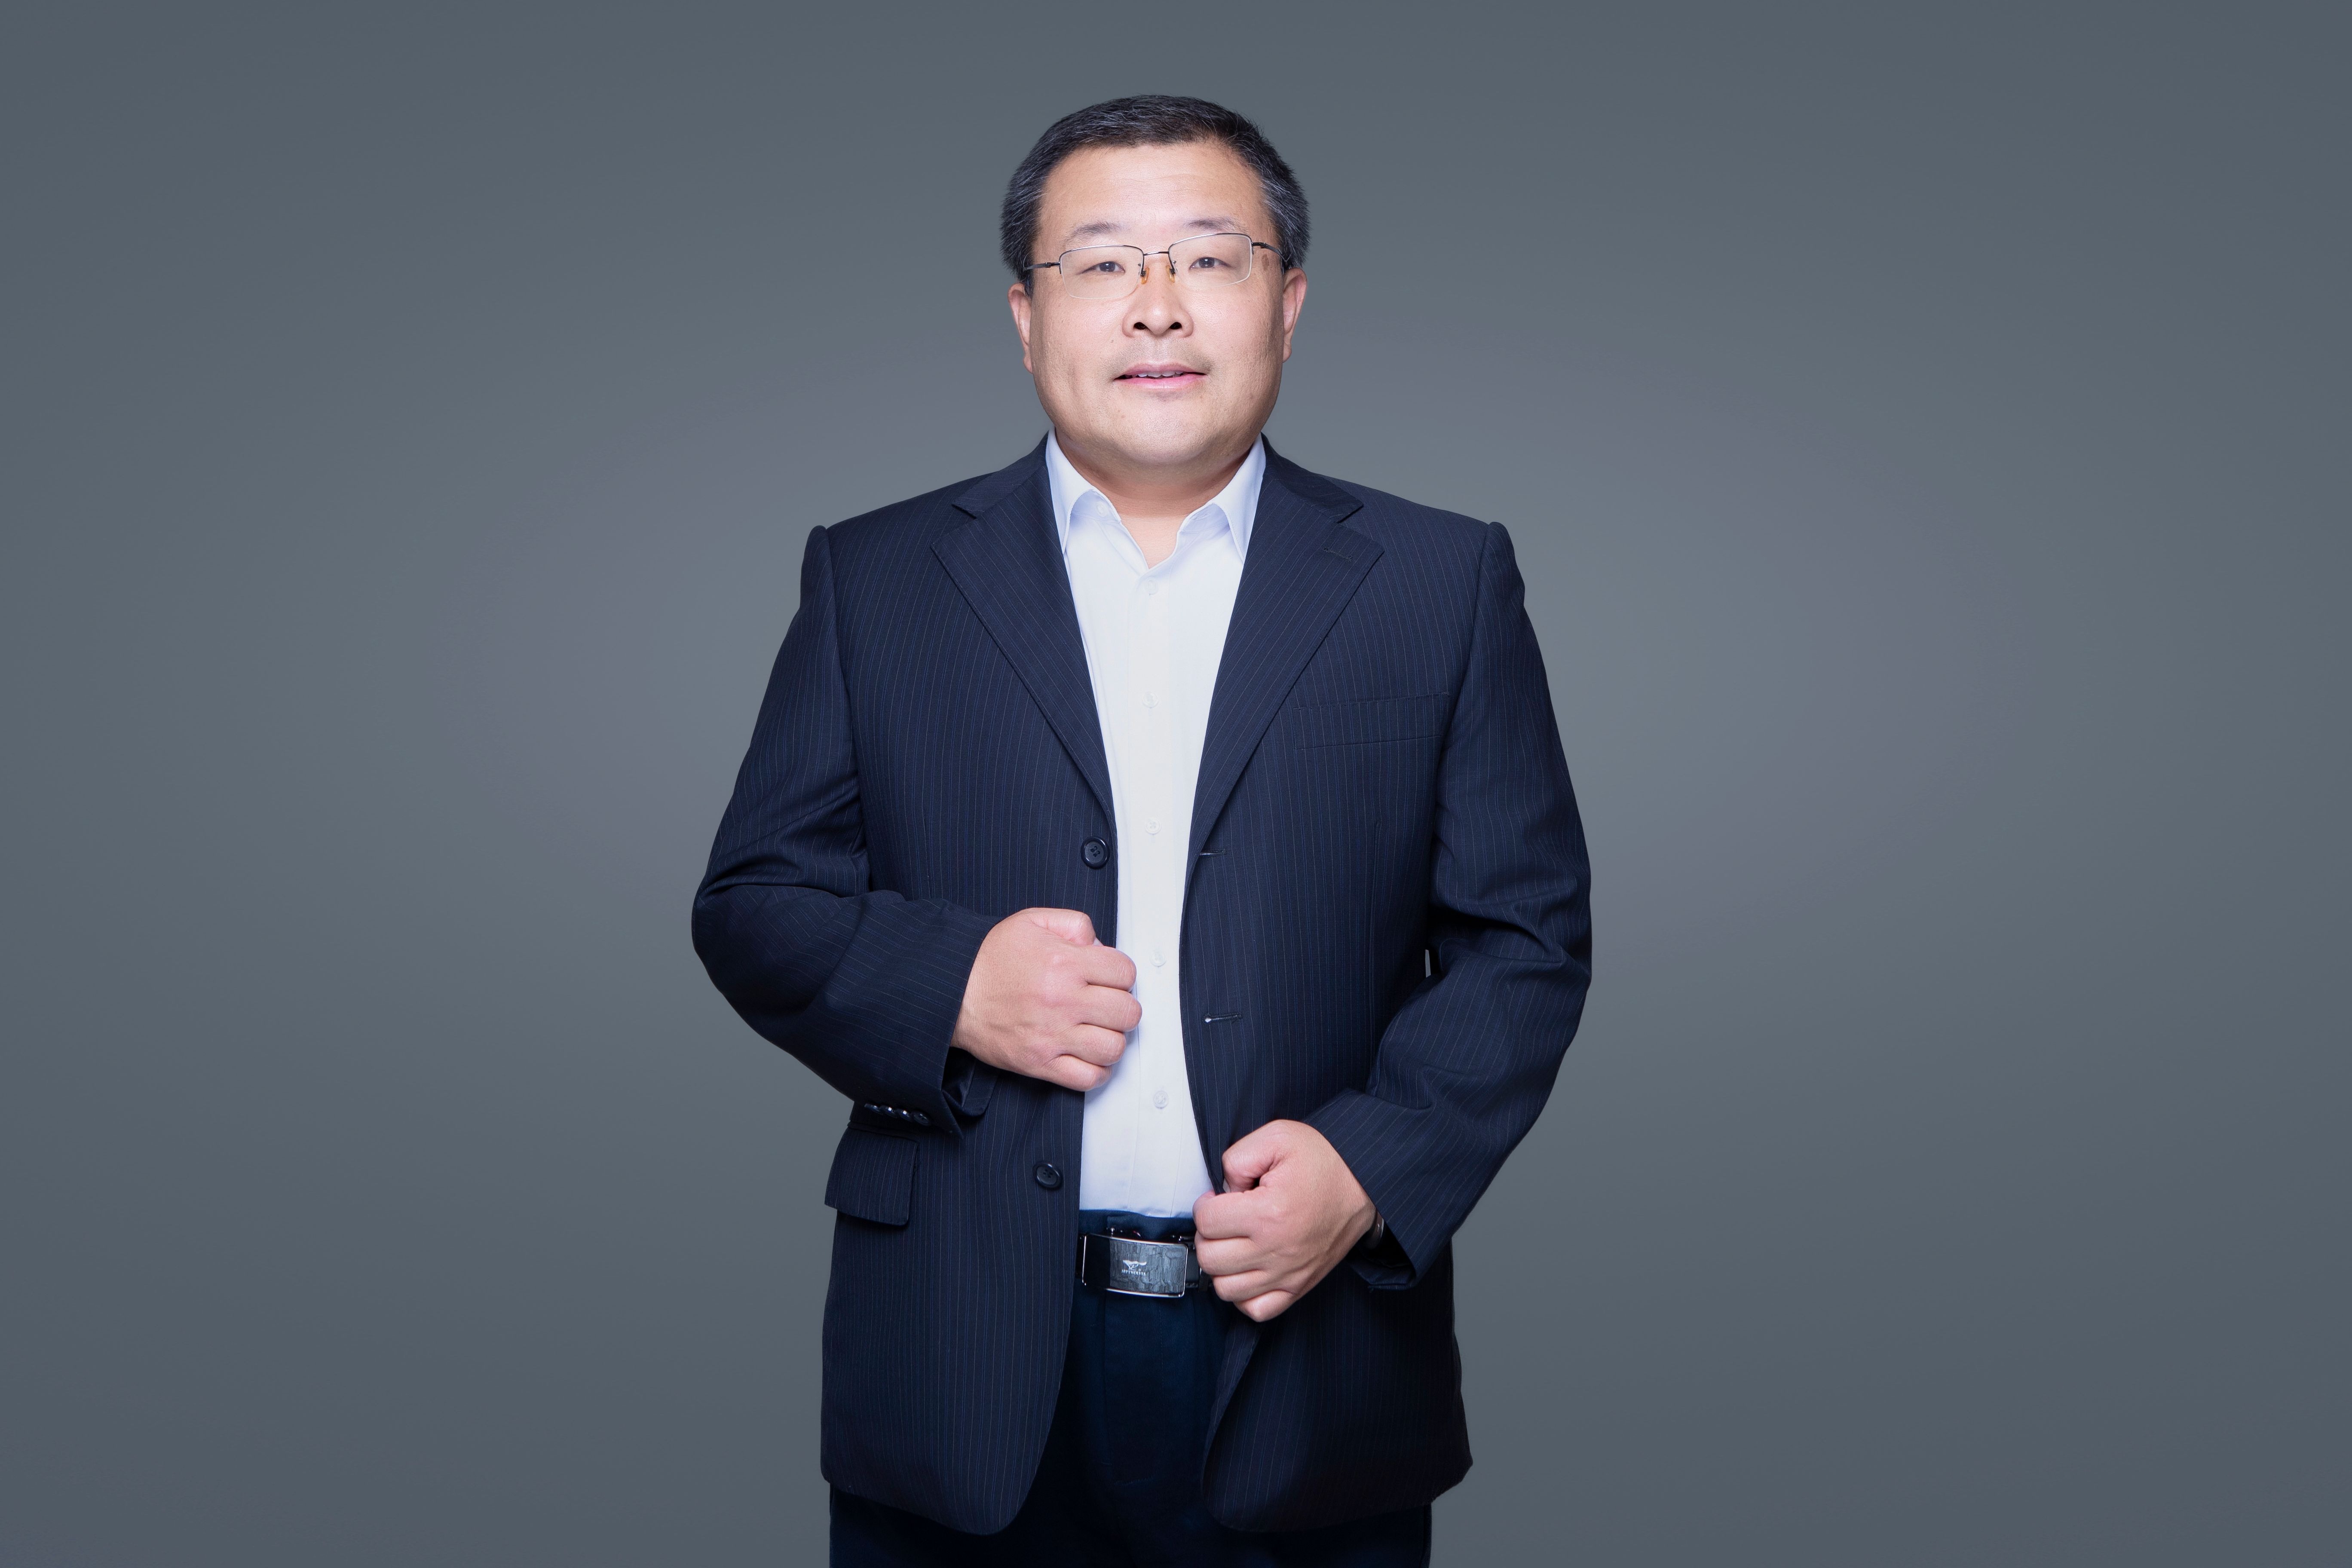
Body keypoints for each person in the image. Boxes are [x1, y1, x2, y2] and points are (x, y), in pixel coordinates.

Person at [693, 95, 1591, 1567]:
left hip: (1308, 1356)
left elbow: (1526, 940)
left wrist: (1373, 1170)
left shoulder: (1439, 581)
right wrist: (951, 986)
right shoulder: (879, 578)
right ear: (1026, 317)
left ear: (1287, 306)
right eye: (1103, 262)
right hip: (964, 1352)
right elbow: (754, 899)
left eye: (1211, 259)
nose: (1157, 306)